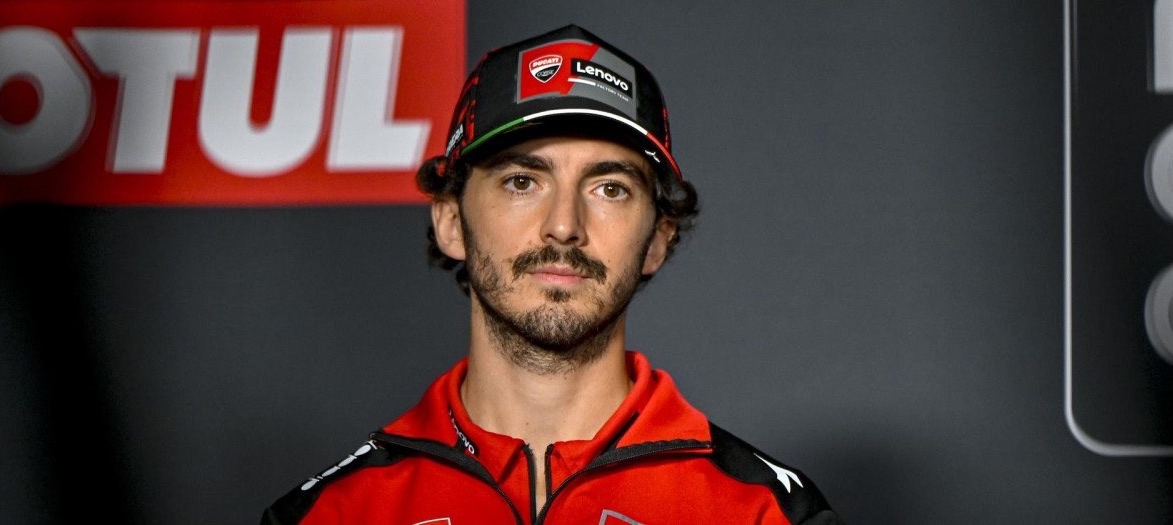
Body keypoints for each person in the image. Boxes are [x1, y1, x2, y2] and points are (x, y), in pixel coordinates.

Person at [261, 24, 841, 525]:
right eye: (522, 181)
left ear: (657, 241)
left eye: (609, 188)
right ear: (451, 222)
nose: (564, 227)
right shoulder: (335, 513)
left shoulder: (764, 513)